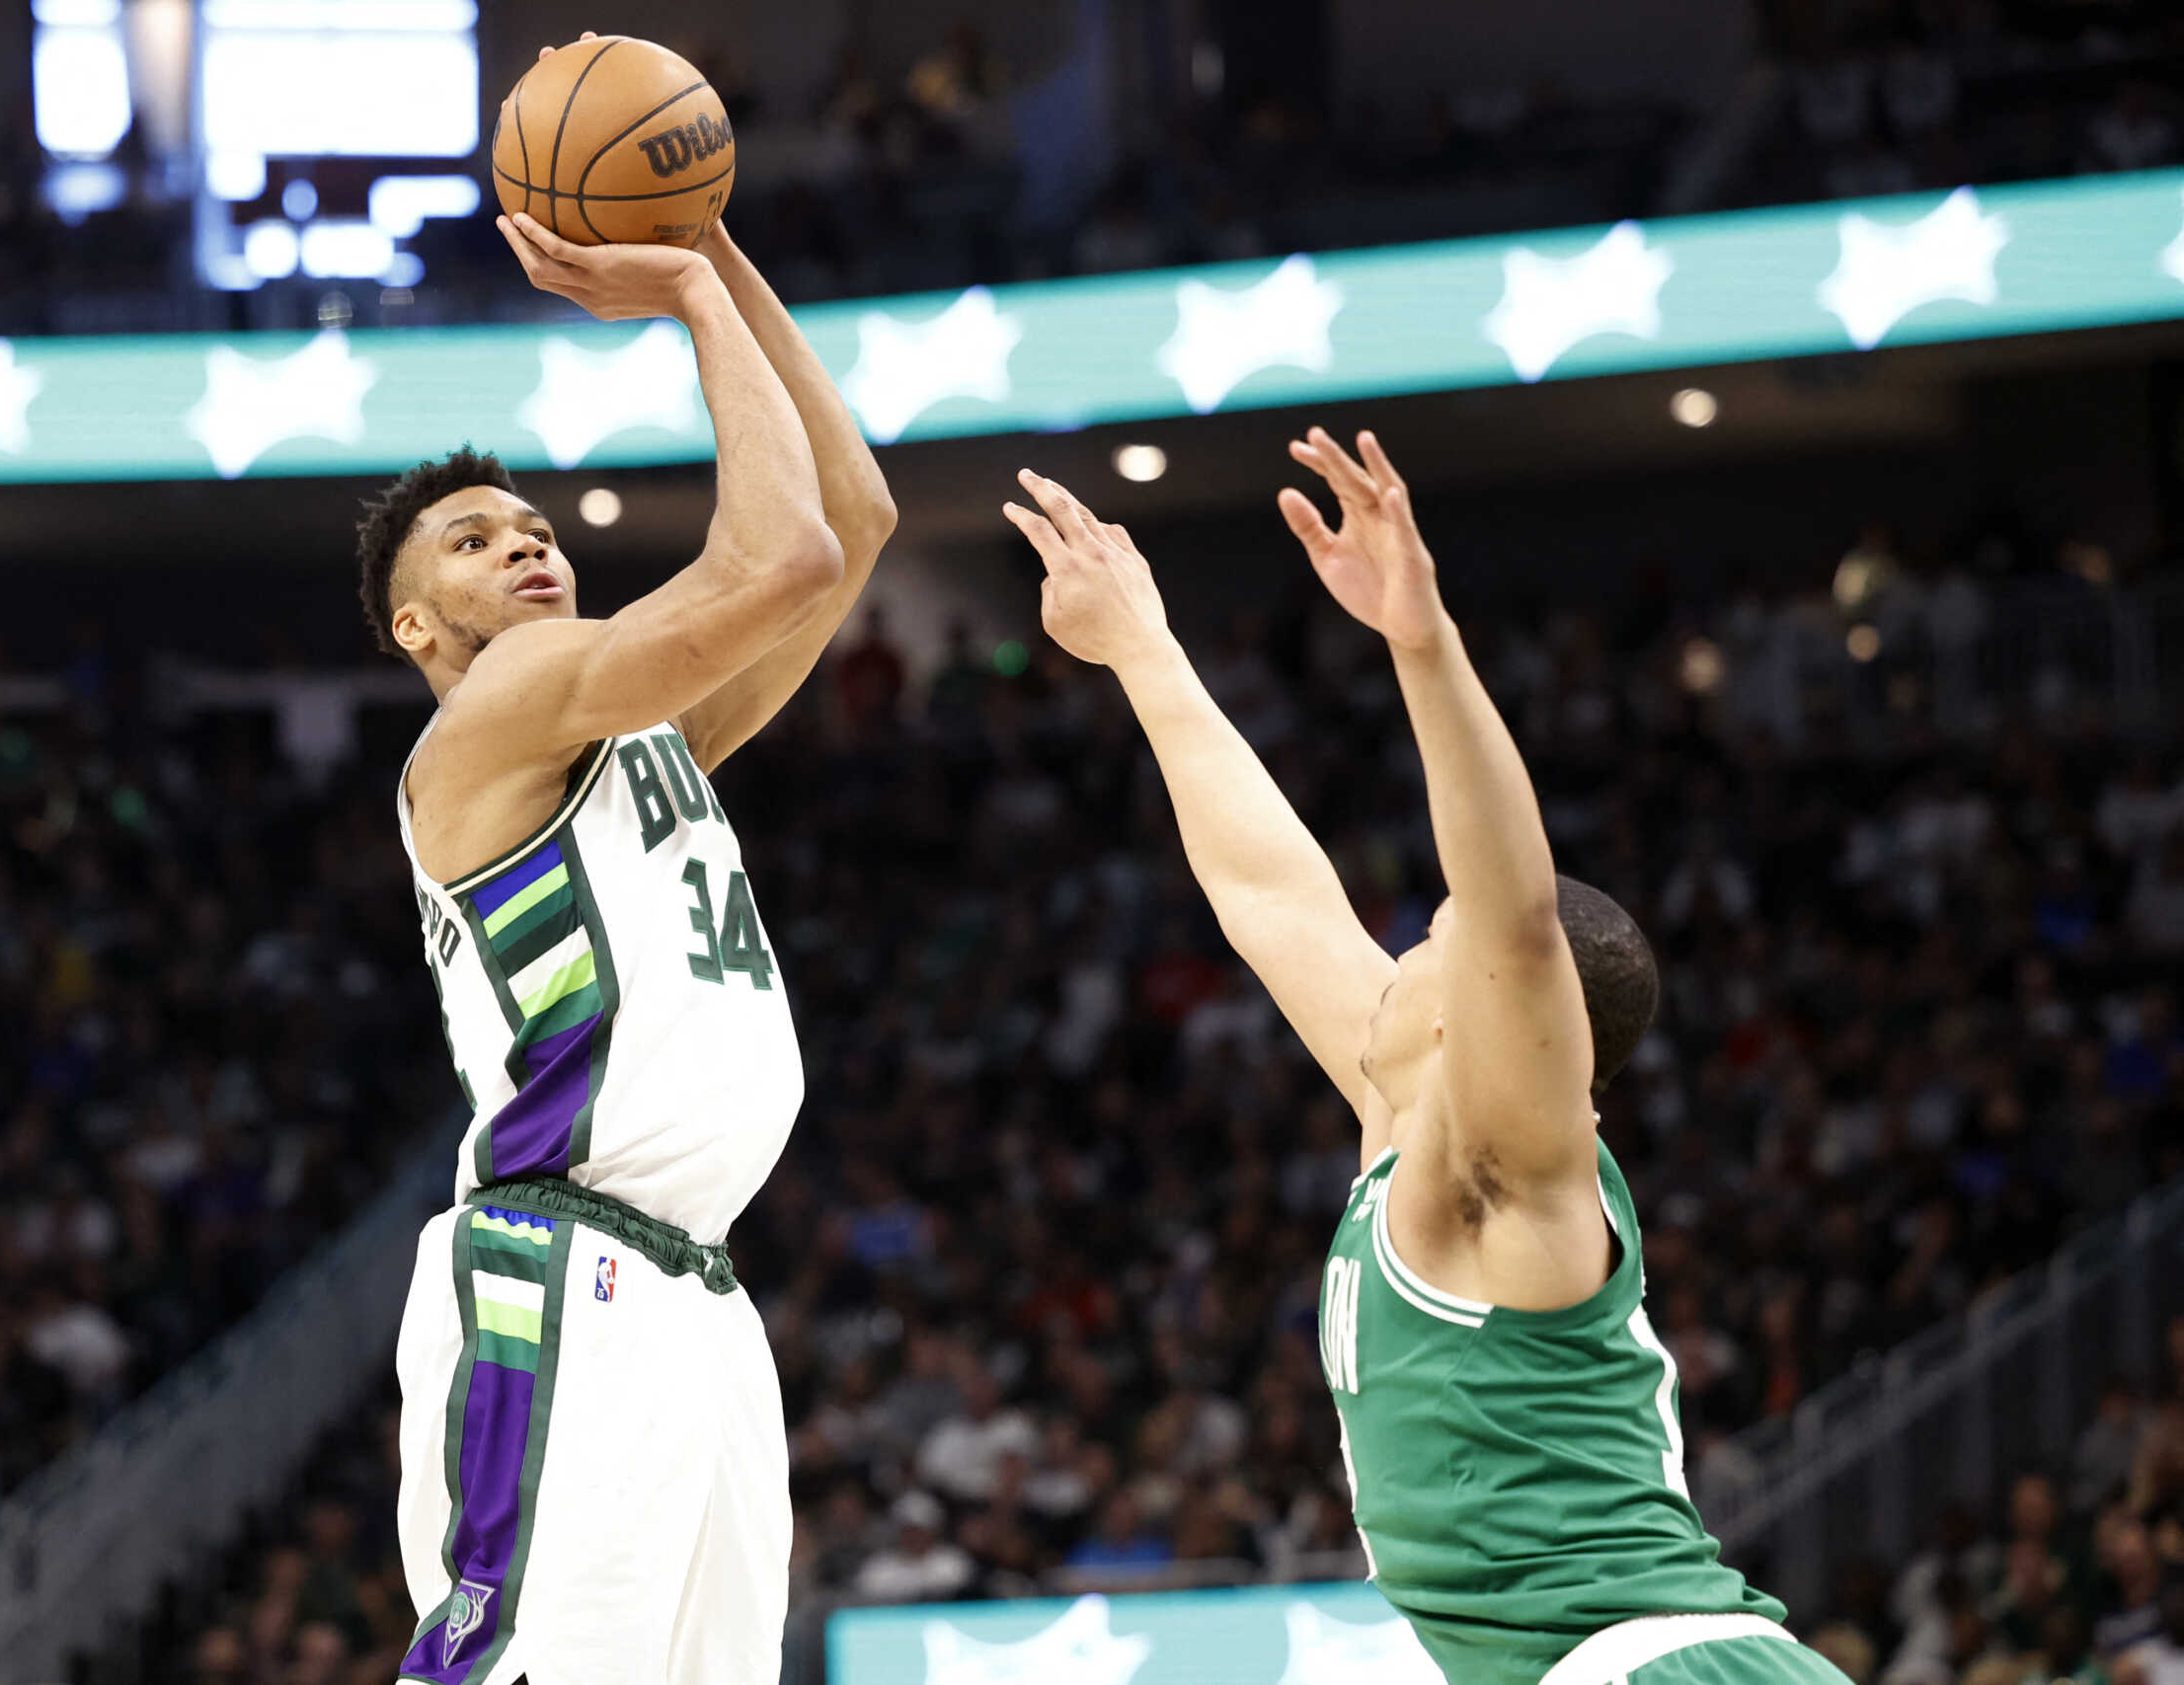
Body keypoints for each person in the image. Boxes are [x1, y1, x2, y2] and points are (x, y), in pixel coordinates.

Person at [1002, 429, 1844, 1685]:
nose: (1394, 948)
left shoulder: (1502, 1168)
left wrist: (1420, 640)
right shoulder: (1403, 1113)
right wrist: (1141, 649)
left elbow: (1511, 913)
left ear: (1483, 1015)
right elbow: (1270, 891)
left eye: (1427, 940)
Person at [353, 92, 896, 1684]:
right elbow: (779, 558)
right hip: (556, 1266)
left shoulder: (645, 736)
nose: (523, 549)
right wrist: (682, 294)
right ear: (417, 631)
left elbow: (851, 522)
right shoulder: (492, 721)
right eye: (471, 544)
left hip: (698, 1287)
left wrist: (711, 234)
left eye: (533, 528)